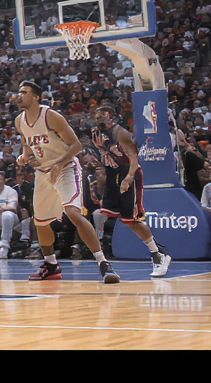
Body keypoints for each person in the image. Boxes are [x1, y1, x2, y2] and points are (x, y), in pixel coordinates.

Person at [14, 81, 118, 283]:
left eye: (24, 92)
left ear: (36, 97)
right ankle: (51, 265)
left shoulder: (50, 116)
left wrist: (58, 164)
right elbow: (26, 144)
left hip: (65, 168)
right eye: (19, 92)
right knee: (41, 222)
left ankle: (103, 263)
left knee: (72, 212)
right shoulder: (19, 121)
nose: (19, 95)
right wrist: (24, 157)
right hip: (43, 172)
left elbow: (76, 146)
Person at [91, 105, 172, 277]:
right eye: (97, 115)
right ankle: (101, 251)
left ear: (112, 117)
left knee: (132, 219)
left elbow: (134, 159)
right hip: (112, 174)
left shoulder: (121, 133)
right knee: (106, 214)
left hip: (129, 173)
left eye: (103, 114)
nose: (99, 117)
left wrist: (128, 178)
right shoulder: (95, 134)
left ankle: (157, 254)